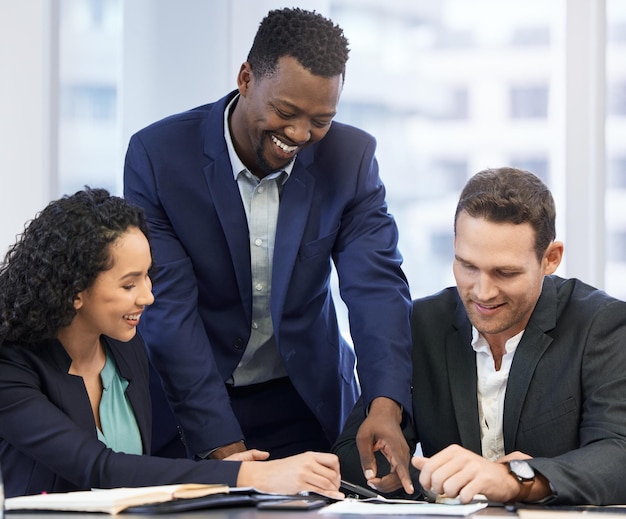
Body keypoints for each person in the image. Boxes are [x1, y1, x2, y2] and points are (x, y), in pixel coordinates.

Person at [123, 7, 414, 491]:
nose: (300, 134)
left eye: (320, 119)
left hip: (303, 399)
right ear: (245, 78)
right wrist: (229, 454)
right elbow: (168, 310)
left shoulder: (352, 158)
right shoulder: (159, 156)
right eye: (285, 112)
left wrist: (384, 404)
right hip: (190, 401)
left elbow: (376, 285)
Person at [0, 187, 344, 499]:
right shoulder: (10, 368)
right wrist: (247, 475)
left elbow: (151, 464)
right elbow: (99, 469)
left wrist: (221, 474)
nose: (148, 297)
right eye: (129, 284)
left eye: (149, 276)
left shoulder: (126, 346)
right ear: (75, 291)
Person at [333, 167, 626, 505]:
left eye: (505, 272)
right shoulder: (420, 326)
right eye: (467, 266)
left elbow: (618, 453)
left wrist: (515, 478)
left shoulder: (602, 326)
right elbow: (353, 457)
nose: (483, 292)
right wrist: (438, 480)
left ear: (550, 259)